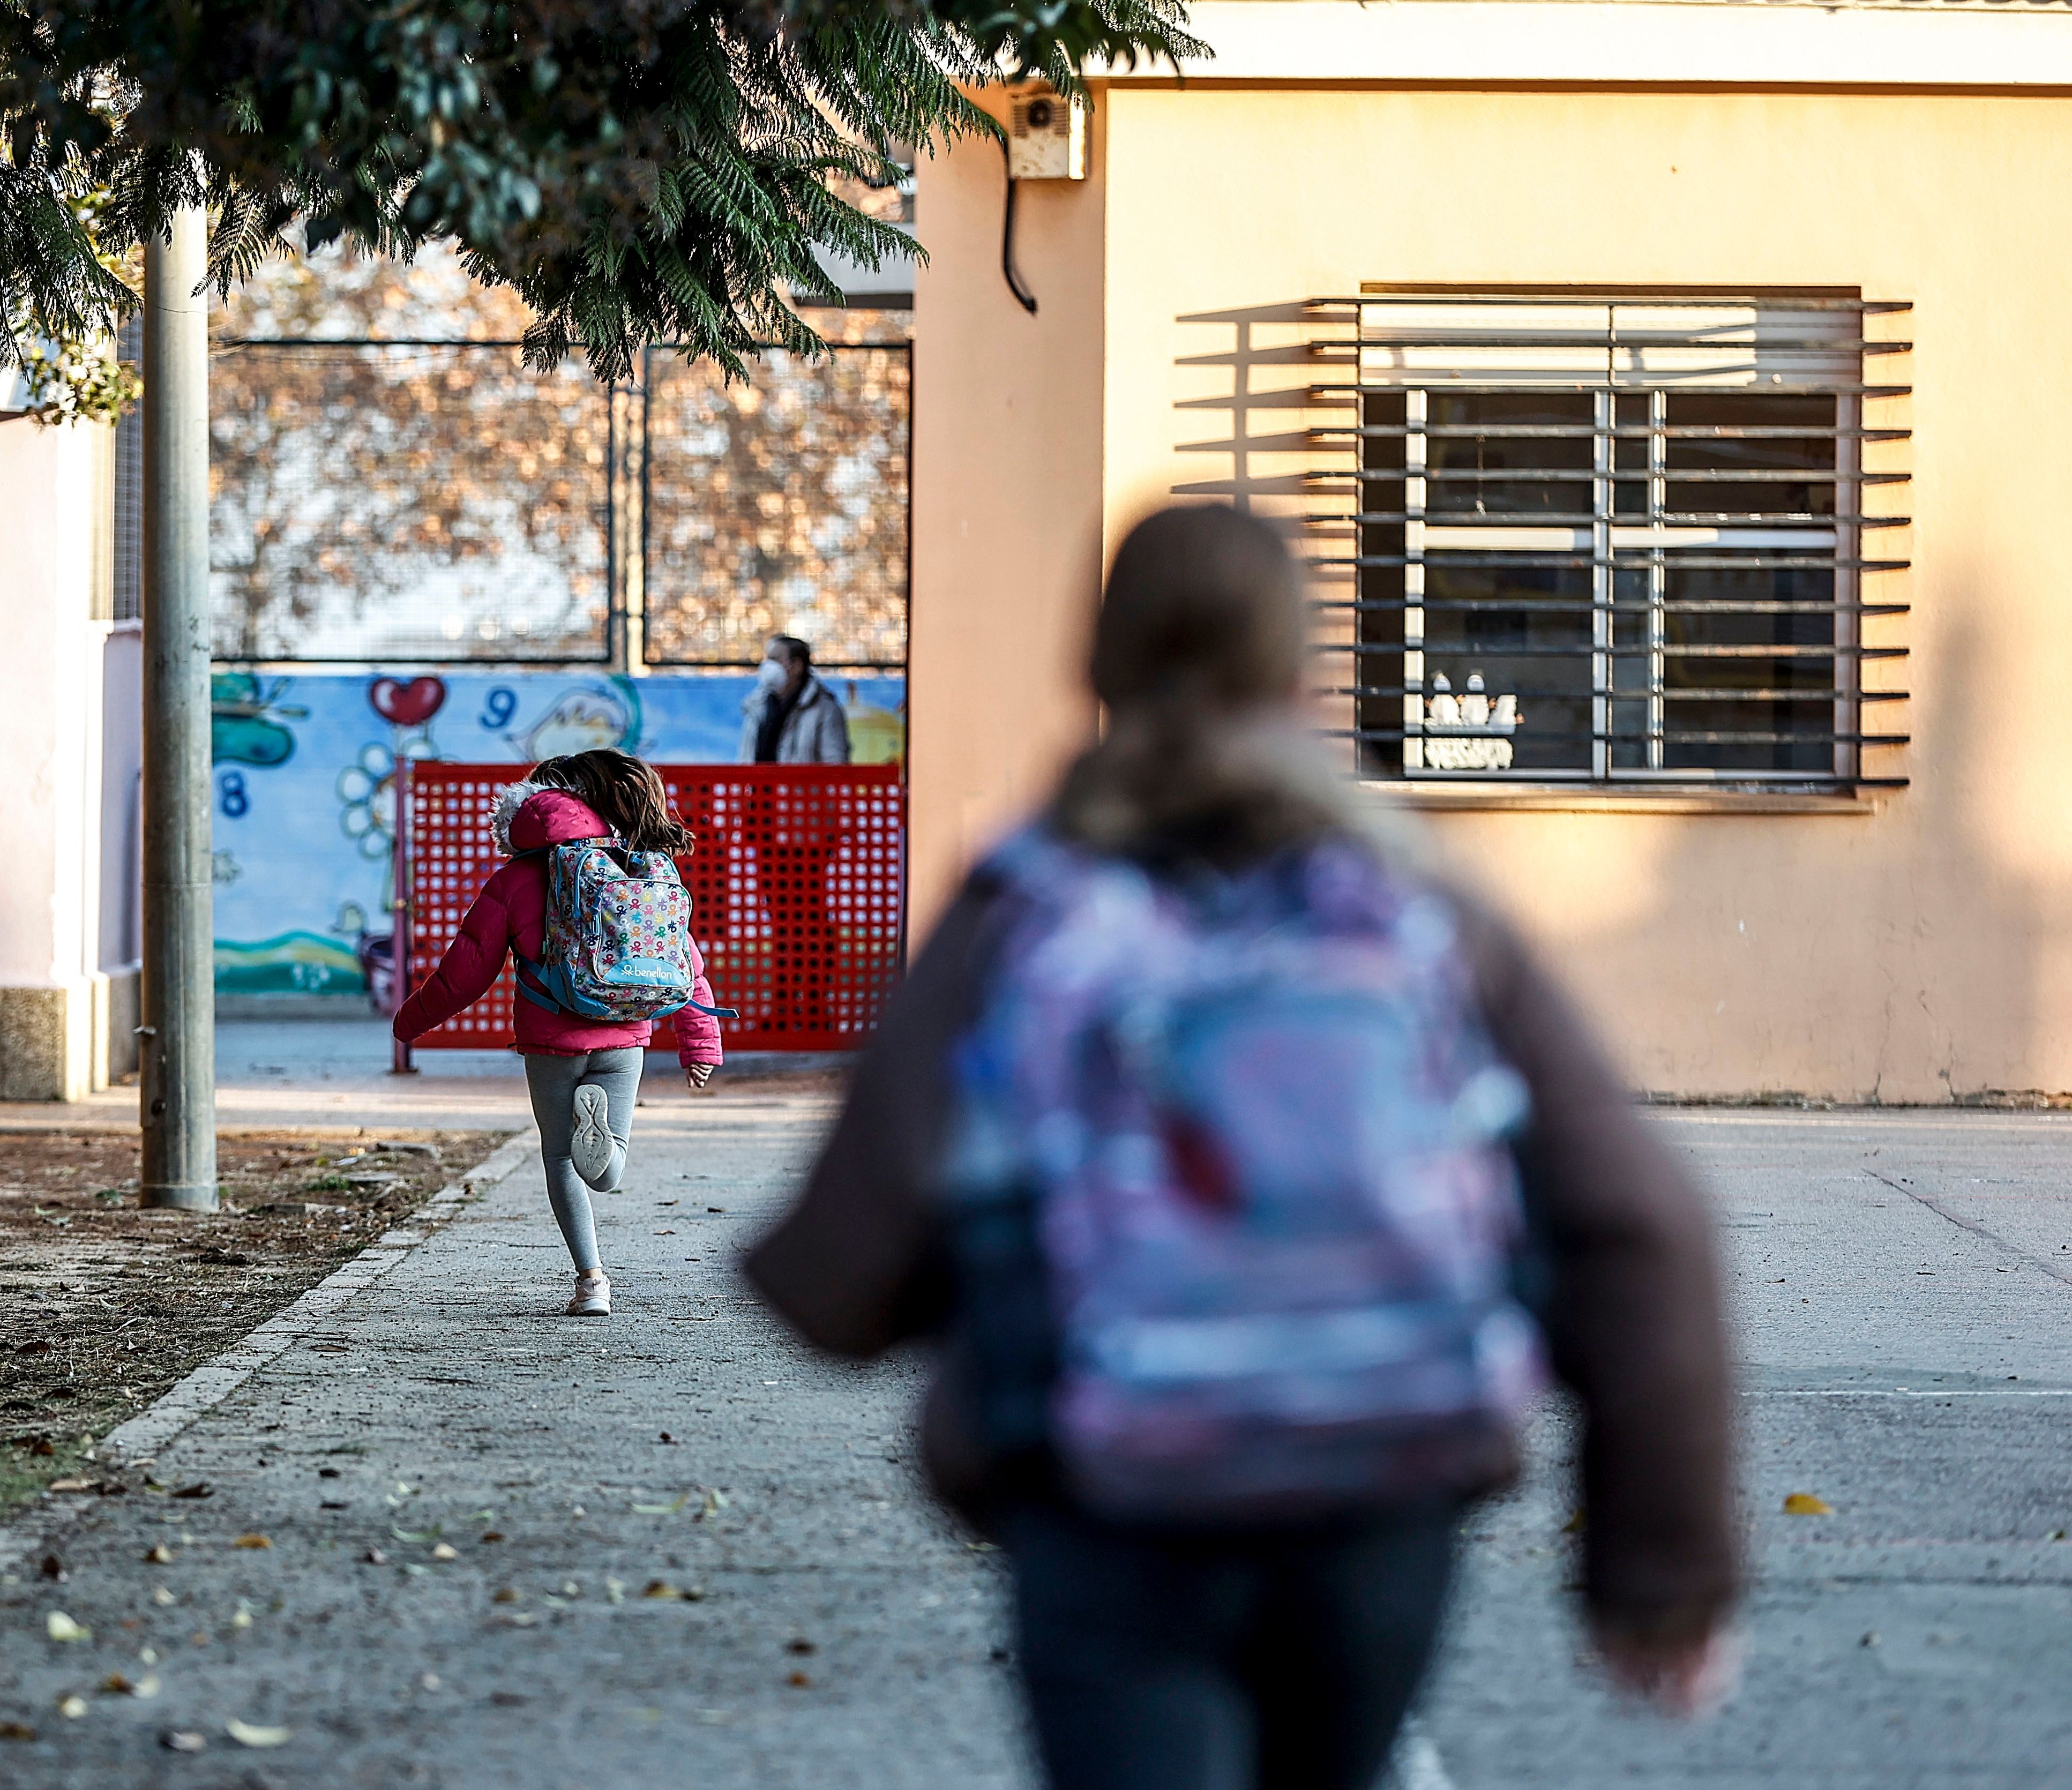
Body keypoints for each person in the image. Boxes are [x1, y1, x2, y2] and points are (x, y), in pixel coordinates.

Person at [745, 505, 1738, 1790]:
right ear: (1300, 666)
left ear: (1097, 663)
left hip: (1106, 1501)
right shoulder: (1411, 901)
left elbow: (835, 1281)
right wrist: (1660, 1574)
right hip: (1379, 1495)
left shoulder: (1025, 904)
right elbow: (1638, 1223)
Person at [394, 750, 725, 1316]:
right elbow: (683, 963)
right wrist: (701, 1043)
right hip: (624, 1032)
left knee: (558, 1158)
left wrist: (411, 1022)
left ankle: (591, 1282)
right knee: (608, 1166)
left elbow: (465, 969)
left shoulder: (516, 878)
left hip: (551, 1037)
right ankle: (606, 1147)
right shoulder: (640, 867)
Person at [740, 634, 851, 764]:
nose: (767, 666)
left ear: (797, 666)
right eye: (766, 659)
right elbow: (746, 757)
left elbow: (836, 764)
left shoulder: (825, 710)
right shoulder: (757, 704)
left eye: (774, 659)